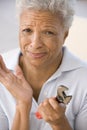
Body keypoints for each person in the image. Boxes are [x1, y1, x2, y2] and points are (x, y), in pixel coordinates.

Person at [0, 0, 87, 130]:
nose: (35, 44)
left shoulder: (84, 79)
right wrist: (22, 105)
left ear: (65, 35)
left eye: (48, 32)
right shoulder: (3, 72)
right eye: (27, 30)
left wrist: (59, 123)